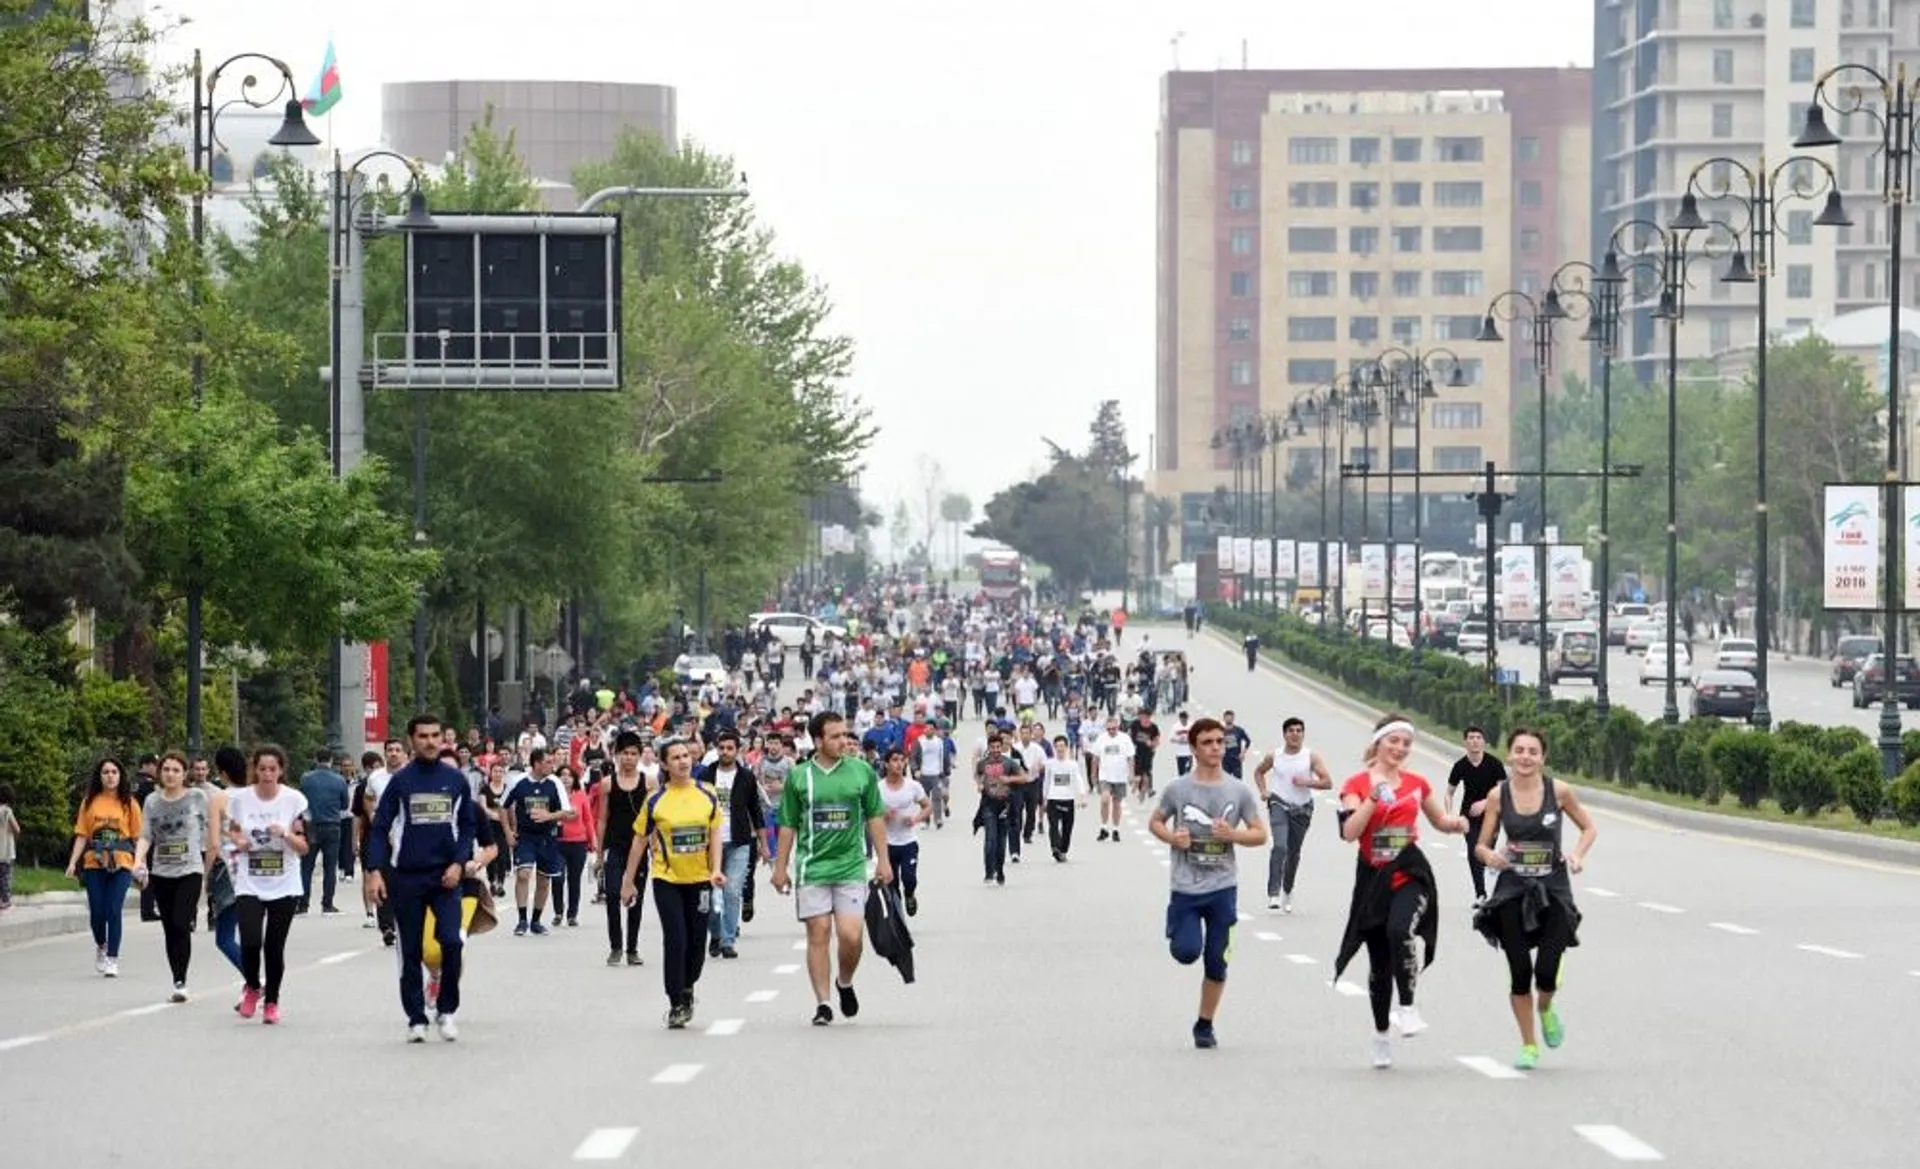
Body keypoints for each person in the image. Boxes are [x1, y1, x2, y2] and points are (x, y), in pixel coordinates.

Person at [1333, 713, 1469, 1069]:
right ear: (1378, 742)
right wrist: (1373, 800)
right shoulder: (1356, 784)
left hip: (1409, 870)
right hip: (1373, 878)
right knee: (1379, 966)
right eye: (1393, 741)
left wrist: (1457, 824)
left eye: (1406, 743)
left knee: (1400, 929)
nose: (1400, 748)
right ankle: (1380, 1034)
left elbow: (1439, 821)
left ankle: (1408, 1008)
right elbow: (1349, 833)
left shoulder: (1417, 783)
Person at [1470, 727, 1597, 1070]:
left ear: (1543, 758)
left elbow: (1589, 828)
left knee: (1545, 971)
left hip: (1553, 885)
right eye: (1520, 750)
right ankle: (1528, 1045)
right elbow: (1481, 844)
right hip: (1512, 887)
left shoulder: (1559, 792)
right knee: (1519, 970)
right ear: (1510, 755)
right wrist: (1489, 856)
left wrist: (1577, 856)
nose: (1525, 757)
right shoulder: (1499, 795)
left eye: (1533, 752)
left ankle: (1546, 1008)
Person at [1149, 716, 1267, 1049]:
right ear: (1194, 748)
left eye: (1220, 741)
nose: (1216, 748)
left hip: (1223, 888)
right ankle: (1176, 925)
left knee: (1217, 960)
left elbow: (1260, 834)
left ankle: (1204, 1024)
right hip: (1186, 886)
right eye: (1208, 742)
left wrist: (1235, 835)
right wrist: (1174, 838)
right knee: (1187, 952)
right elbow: (1155, 822)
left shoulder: (1238, 790)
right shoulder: (1178, 789)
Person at [771, 710, 891, 1027]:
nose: (844, 741)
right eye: (835, 736)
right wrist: (779, 868)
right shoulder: (800, 776)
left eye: (845, 734)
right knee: (819, 932)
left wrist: (884, 860)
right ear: (818, 740)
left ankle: (845, 982)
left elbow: (875, 817)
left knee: (851, 936)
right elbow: (787, 825)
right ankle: (823, 1003)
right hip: (812, 868)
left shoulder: (861, 772)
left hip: (851, 866)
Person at [366, 714, 479, 1042]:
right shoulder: (400, 783)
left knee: (452, 942)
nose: (430, 742)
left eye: (435, 736)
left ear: (443, 739)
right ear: (412, 740)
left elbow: (468, 826)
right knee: (411, 951)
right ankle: (416, 1017)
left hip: (446, 877)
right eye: (423, 736)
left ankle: (446, 1010)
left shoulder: (455, 780)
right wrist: (375, 871)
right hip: (408, 877)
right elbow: (380, 828)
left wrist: (459, 863)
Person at [623, 738, 725, 1028]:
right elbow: (639, 840)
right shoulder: (655, 799)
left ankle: (688, 986)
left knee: (697, 942)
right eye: (676, 757)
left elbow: (715, 832)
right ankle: (676, 1001)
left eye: (686, 756)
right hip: (667, 879)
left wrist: (716, 868)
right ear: (664, 764)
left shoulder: (707, 794)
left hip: (701, 880)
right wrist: (628, 882)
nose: (683, 761)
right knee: (676, 938)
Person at [225, 746, 310, 1024]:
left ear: (281, 771)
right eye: (262, 769)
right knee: (250, 940)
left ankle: (272, 1001)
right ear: (255, 770)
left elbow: (304, 846)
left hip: (284, 883)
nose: (267, 774)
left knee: (274, 947)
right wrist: (239, 843)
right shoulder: (241, 799)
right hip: (250, 881)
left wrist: (285, 833)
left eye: (273, 769)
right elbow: (233, 829)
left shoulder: (293, 800)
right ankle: (252, 986)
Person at [133, 751, 215, 1002]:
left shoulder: (197, 797)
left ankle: (181, 978)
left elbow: (213, 824)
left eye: (175, 770)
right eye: (166, 769)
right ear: (160, 772)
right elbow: (146, 835)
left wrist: (214, 853)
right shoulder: (152, 801)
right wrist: (138, 860)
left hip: (189, 869)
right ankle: (179, 981)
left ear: (184, 774)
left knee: (181, 922)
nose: (170, 774)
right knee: (170, 928)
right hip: (161, 871)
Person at [65, 757, 142, 977]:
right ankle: (101, 944)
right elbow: (81, 834)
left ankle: (113, 958)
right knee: (97, 911)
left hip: (122, 861)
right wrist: (73, 862)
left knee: (113, 909)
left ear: (121, 776)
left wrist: (141, 863)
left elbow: (138, 837)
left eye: (114, 772)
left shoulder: (129, 803)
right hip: (94, 861)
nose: (110, 776)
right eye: (106, 772)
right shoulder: (89, 802)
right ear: (99, 776)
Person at [1253, 717, 1333, 913]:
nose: (1295, 734)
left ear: (1303, 734)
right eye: (1291, 731)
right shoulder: (1275, 756)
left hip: (1302, 809)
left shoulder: (1310, 757)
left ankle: (1287, 890)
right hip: (1279, 803)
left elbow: (1328, 782)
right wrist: (1263, 791)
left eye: (1299, 730)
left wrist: (1307, 782)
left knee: (1293, 852)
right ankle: (1273, 892)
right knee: (1279, 846)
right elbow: (1258, 772)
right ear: (1284, 734)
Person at [698, 729, 765, 960]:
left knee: (732, 890)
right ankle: (715, 933)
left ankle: (728, 940)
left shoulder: (746, 777)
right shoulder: (705, 775)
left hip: (739, 842)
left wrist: (764, 845)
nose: (725, 752)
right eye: (722, 748)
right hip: (709, 844)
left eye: (730, 748)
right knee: (709, 892)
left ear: (738, 750)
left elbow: (755, 812)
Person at [594, 731, 652, 967]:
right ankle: (615, 946)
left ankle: (632, 948)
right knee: (613, 896)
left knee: (635, 898)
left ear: (639, 756)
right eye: (624, 753)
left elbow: (654, 820)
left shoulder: (649, 782)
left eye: (633, 754)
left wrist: (657, 848)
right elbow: (602, 819)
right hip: (615, 847)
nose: (628, 758)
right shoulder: (607, 784)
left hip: (639, 848)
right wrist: (599, 853)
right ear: (616, 756)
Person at [502, 748, 569, 937]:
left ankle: (536, 921)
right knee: (523, 874)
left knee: (544, 879)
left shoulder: (555, 782)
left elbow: (568, 812)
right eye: (548, 762)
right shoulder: (518, 782)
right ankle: (522, 920)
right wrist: (508, 831)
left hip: (548, 837)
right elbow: (502, 806)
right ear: (537, 764)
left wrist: (549, 815)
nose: (551, 766)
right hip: (525, 836)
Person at [1446, 726, 1508, 907]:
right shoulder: (1460, 766)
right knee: (1474, 851)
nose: (1474, 741)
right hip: (1468, 818)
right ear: (1465, 742)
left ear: (1484, 741)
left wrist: (1485, 803)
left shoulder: (1495, 764)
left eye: (1478, 737)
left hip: (1492, 816)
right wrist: (1449, 815)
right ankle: (1481, 894)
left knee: (1485, 854)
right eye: (1471, 737)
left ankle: (1497, 880)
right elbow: (1449, 793)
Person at [295, 749, 350, 915]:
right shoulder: (340, 780)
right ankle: (327, 904)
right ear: (331, 761)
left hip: (311, 825)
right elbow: (345, 805)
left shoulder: (306, 778)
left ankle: (303, 905)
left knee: (306, 866)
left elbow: (300, 801)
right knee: (330, 866)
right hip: (332, 825)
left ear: (315, 759)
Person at [878, 748, 930, 914]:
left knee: (909, 878)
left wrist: (915, 819)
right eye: (894, 760)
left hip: (908, 841)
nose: (899, 764)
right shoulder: (878, 788)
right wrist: (883, 814)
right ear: (886, 764)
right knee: (891, 883)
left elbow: (927, 806)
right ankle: (898, 916)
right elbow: (869, 813)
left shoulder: (913, 786)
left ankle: (910, 895)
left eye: (902, 760)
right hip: (887, 843)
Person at [972, 728, 1025, 885]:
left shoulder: (1009, 763)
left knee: (1001, 841)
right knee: (990, 838)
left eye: (998, 747)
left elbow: (1024, 777)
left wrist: (1008, 780)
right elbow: (977, 774)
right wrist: (980, 784)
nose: (995, 750)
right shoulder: (983, 763)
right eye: (992, 747)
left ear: (1002, 747)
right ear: (989, 747)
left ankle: (1000, 870)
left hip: (1005, 805)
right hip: (988, 804)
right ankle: (989, 872)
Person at [553, 765, 595, 928]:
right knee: (558, 878)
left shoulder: (581, 795)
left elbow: (588, 819)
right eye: (562, 775)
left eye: (569, 775)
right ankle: (558, 912)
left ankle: (572, 914)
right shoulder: (553, 794)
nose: (566, 778)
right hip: (557, 842)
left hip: (578, 842)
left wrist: (593, 841)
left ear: (575, 779)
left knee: (574, 880)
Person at [1042, 734, 1089, 861]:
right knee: (1053, 825)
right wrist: (1044, 799)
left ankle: (1063, 850)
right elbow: (1046, 782)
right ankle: (1055, 848)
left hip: (1068, 799)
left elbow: (1078, 780)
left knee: (1067, 828)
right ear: (1054, 748)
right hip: (1053, 798)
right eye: (1057, 746)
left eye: (1062, 746)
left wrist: (1082, 796)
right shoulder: (1050, 764)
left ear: (1067, 747)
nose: (1060, 749)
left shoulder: (1072, 765)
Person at [1088, 715, 1132, 842]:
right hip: (1105, 775)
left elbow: (1130, 757)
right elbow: (1095, 758)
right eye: (1109, 729)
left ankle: (1116, 829)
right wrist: (1093, 775)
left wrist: (1131, 774)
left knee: (1117, 803)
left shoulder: (1125, 739)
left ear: (1118, 727)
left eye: (1114, 728)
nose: (1111, 731)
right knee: (1105, 799)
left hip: (1120, 776)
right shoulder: (1101, 739)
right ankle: (1103, 827)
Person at [0, 784, 17, 912]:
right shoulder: (7, 811)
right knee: (6, 876)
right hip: (6, 850)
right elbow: (17, 829)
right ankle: (6, 901)